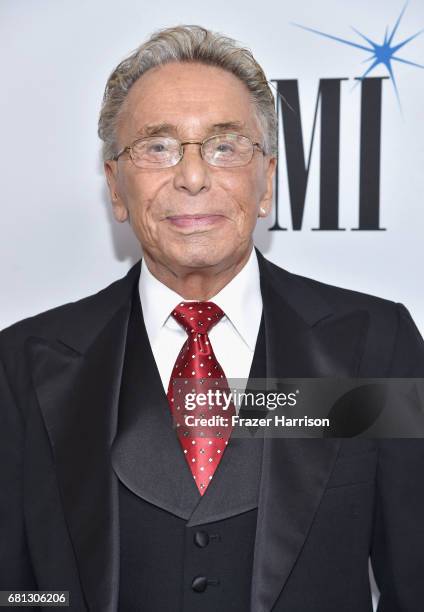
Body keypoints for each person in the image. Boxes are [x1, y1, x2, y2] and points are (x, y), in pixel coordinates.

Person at [1, 24, 423, 612]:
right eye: (157, 146)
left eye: (225, 147)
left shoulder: (374, 346)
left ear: (268, 180)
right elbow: (16, 593)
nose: (193, 176)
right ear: (116, 189)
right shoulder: (23, 363)